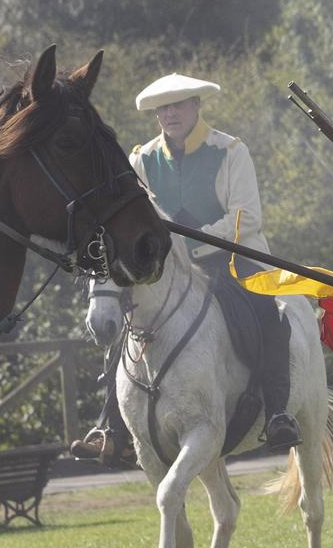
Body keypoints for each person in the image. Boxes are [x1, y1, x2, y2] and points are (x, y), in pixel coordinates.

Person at [71, 74, 301, 468]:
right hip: (164, 266)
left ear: (197, 106)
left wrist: (185, 244)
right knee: (125, 317)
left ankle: (278, 411)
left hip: (230, 258)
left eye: (178, 105)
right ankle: (111, 427)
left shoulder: (230, 150)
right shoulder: (141, 159)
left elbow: (244, 218)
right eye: (163, 107)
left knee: (267, 313)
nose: (170, 113)